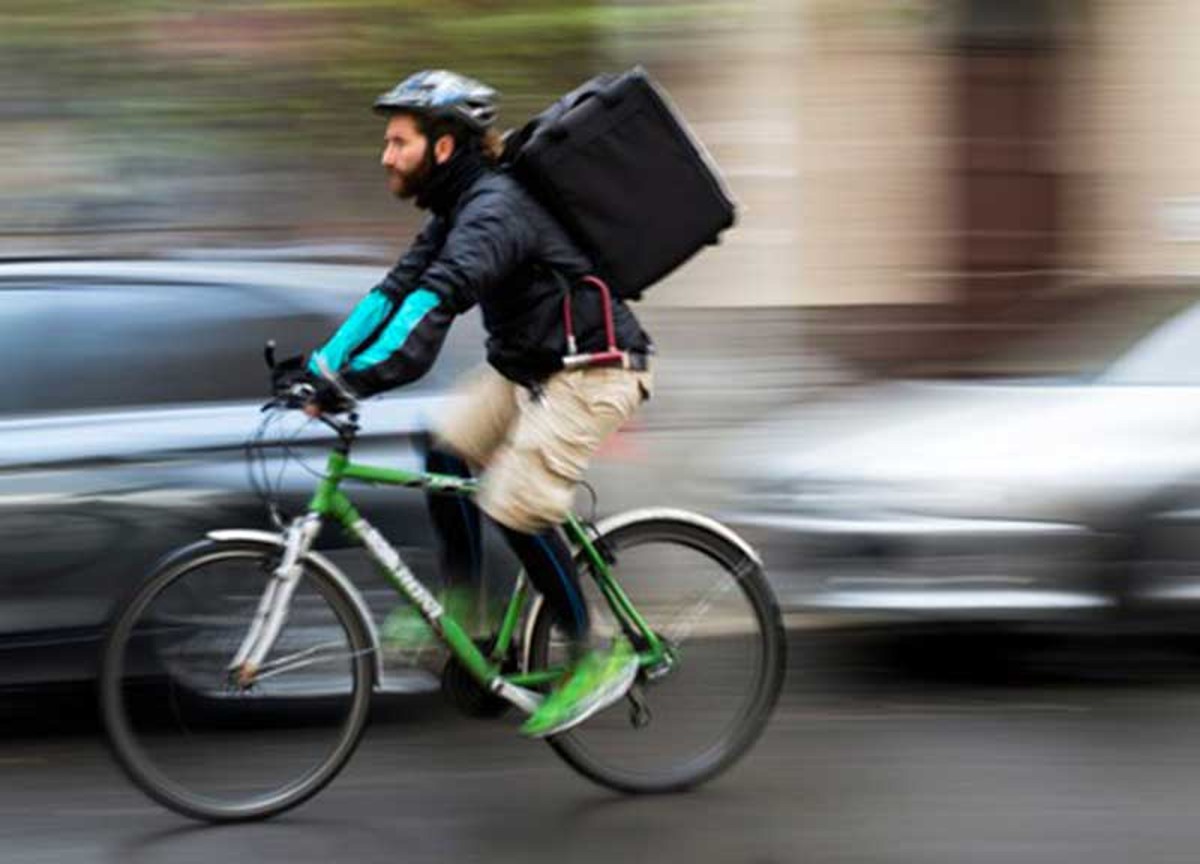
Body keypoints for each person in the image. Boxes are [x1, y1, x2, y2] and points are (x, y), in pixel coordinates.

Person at [302, 70, 654, 738]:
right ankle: (469, 614)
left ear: (442, 147)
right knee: (444, 445)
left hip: (595, 371)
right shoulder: (455, 209)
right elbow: (395, 290)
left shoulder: (495, 210)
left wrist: (361, 382)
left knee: (515, 504)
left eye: (398, 142)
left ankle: (594, 652)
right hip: (532, 369)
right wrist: (323, 364)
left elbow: (435, 304)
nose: (385, 156)